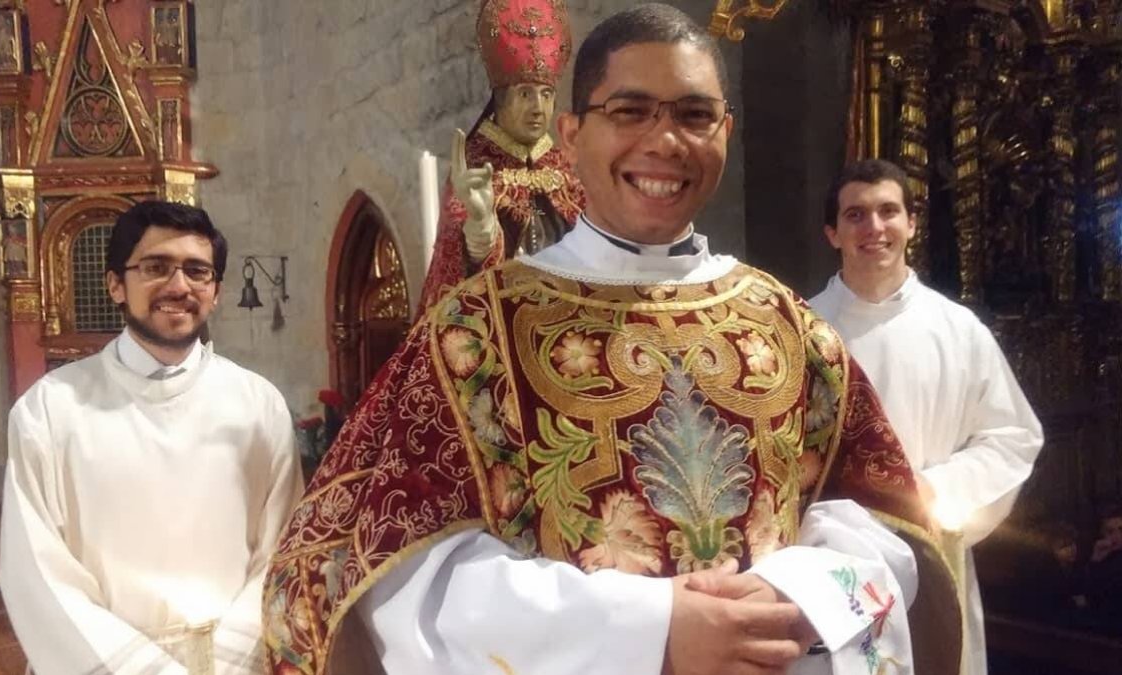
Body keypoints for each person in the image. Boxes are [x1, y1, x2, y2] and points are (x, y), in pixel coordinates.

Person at [265, 6, 960, 675]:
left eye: (694, 115)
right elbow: (391, 573)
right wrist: (653, 630)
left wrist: (797, 595)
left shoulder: (789, 325)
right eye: (630, 111)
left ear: (726, 130)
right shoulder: (473, 331)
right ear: (570, 135)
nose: (665, 141)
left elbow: (887, 526)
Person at [0, 201, 303, 674]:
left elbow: (282, 552)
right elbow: (37, 572)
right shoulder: (50, 409)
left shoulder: (259, 405)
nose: (179, 286)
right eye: (156, 267)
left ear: (216, 292)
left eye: (197, 271)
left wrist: (229, 663)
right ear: (115, 285)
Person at [809, 158, 1044, 675]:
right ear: (832, 233)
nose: (874, 227)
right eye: (855, 215)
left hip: (931, 547)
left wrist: (934, 490)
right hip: (832, 567)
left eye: (889, 211)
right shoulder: (803, 330)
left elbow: (1013, 435)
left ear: (912, 223)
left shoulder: (958, 329)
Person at [416, 0, 584, 314]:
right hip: (503, 319)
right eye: (525, 94)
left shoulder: (564, 168)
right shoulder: (474, 166)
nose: (538, 108)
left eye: (546, 95)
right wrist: (481, 229)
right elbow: (457, 269)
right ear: (500, 100)